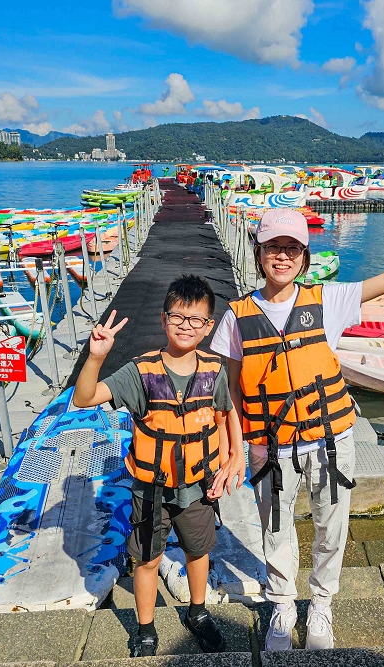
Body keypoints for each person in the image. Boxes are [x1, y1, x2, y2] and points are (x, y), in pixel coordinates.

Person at [210, 209, 384, 651]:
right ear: (258, 253)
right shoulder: (236, 315)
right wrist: (232, 450)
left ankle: (321, 606)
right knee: (275, 528)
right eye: (273, 248)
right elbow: (229, 391)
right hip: (269, 445)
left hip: (329, 439)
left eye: (292, 249)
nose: (281, 257)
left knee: (331, 526)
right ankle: (283, 606)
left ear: (304, 256)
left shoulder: (329, 300)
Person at [73, 275, 246, 658]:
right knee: (147, 559)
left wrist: (234, 456)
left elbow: (226, 412)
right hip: (150, 488)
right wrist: (97, 355)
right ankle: (146, 627)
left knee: (198, 551)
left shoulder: (215, 370)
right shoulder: (140, 372)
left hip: (199, 487)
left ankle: (197, 613)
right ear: (163, 319)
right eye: (178, 317)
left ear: (209, 326)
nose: (186, 326)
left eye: (196, 319)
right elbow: (85, 398)